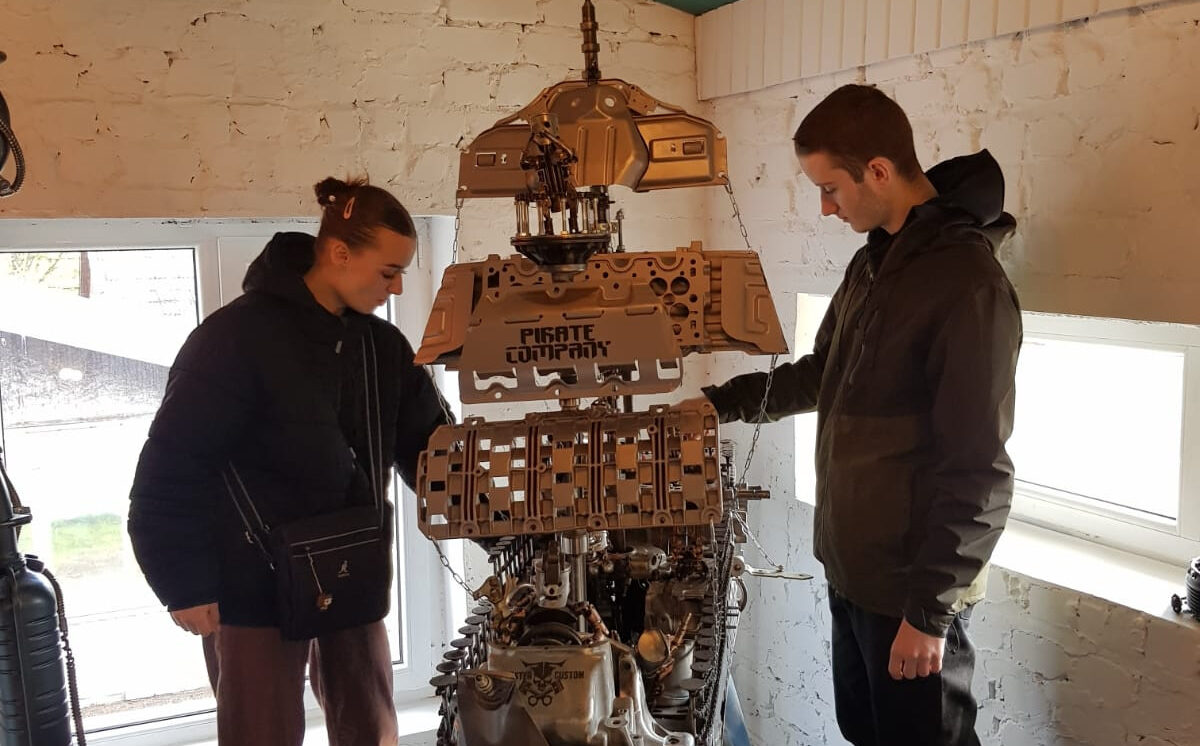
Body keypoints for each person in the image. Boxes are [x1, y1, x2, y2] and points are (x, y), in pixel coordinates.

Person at [696, 85, 1021, 745]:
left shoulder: (967, 284)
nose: (824, 206)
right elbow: (824, 374)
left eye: (830, 188)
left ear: (877, 170)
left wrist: (928, 614)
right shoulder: (873, 263)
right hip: (854, 574)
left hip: (912, 591)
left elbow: (978, 469)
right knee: (865, 732)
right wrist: (715, 406)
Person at [128, 177, 450, 746]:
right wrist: (182, 583)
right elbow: (170, 469)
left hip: (352, 572)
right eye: (388, 271)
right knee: (260, 734)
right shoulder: (232, 339)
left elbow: (434, 453)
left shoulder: (383, 347)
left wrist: (504, 526)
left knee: (371, 730)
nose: (397, 286)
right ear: (340, 253)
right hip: (251, 583)